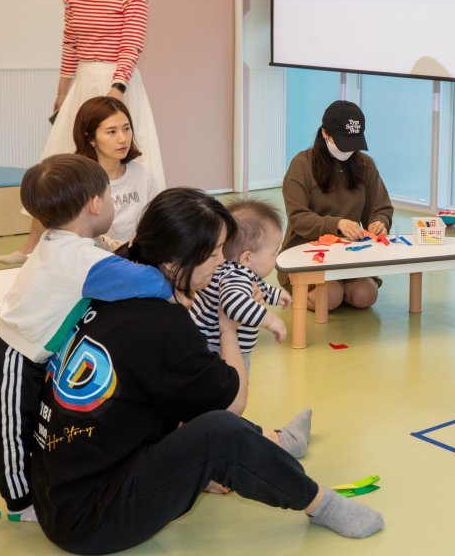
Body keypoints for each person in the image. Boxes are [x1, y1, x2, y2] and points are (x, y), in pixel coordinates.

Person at [31, 188, 383, 553]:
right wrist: (228, 327)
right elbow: (231, 405)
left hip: (59, 493)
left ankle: (277, 443)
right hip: (94, 519)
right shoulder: (163, 323)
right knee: (220, 429)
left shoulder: (114, 280)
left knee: (187, 401)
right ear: (177, 259)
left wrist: (189, 468)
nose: (223, 262)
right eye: (215, 253)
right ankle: (319, 503)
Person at [0, 155, 172, 525]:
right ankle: (21, 505)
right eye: (110, 195)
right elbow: (150, 283)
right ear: (95, 204)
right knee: (12, 436)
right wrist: (173, 282)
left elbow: (101, 262)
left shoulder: (59, 240)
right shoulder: (79, 258)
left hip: (26, 353)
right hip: (11, 357)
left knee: (26, 426)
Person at [0, 95, 161, 266]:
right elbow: (50, 213)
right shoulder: (77, 177)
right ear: (90, 139)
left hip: (131, 260)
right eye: (112, 131)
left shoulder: (143, 174)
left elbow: (157, 223)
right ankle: (30, 248)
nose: (123, 138)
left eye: (126, 128)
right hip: (87, 262)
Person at [279, 100, 393, 310]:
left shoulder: (365, 164)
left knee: (365, 295)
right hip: (306, 252)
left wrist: (380, 222)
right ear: (325, 134)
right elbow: (297, 217)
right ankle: (304, 291)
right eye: (342, 143)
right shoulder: (301, 164)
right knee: (330, 297)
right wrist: (337, 224)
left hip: (349, 253)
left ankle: (340, 286)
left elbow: (381, 207)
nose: (348, 151)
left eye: (353, 144)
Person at [191, 198, 291, 370]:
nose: (276, 257)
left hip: (210, 340)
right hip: (218, 347)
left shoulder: (233, 269)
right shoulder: (235, 277)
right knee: (235, 383)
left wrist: (276, 295)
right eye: (274, 252)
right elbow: (234, 304)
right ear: (247, 258)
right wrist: (270, 320)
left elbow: (258, 288)